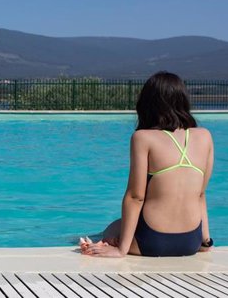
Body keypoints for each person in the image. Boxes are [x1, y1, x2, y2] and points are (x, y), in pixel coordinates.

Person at [80, 71, 214, 257]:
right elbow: (200, 195)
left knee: (112, 228)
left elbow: (136, 197)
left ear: (148, 103)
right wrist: (205, 241)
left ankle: (116, 242)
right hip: (190, 242)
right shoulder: (204, 136)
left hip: (152, 243)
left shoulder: (143, 138)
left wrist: (121, 250)